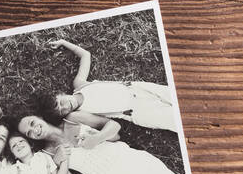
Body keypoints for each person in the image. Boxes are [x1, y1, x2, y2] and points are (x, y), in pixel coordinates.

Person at [23, 111, 184, 174]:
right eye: (29, 132)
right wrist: (58, 163)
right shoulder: (48, 155)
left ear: (40, 117)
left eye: (32, 122)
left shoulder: (71, 120)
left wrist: (97, 138)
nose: (34, 130)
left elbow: (115, 126)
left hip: (129, 160)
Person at [39, 37, 179, 131]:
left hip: (138, 88)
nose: (65, 107)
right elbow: (107, 124)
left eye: (60, 102)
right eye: (62, 111)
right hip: (138, 111)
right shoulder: (81, 114)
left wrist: (63, 42)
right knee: (178, 120)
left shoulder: (80, 84)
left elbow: (85, 55)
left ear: (61, 94)